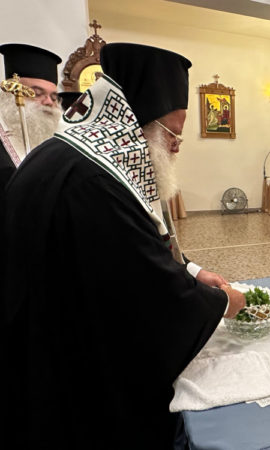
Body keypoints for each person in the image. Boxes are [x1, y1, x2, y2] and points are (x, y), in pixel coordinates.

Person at [1, 43, 246, 449]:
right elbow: (146, 297)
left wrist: (191, 270)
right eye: (173, 134)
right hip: (64, 378)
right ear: (136, 123)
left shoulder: (78, 156)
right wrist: (221, 303)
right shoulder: (93, 181)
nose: (177, 146)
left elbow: (135, 243)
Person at [0, 44, 62, 194]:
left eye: (54, 97)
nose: (49, 102)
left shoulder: (61, 138)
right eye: (37, 93)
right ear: (11, 94)